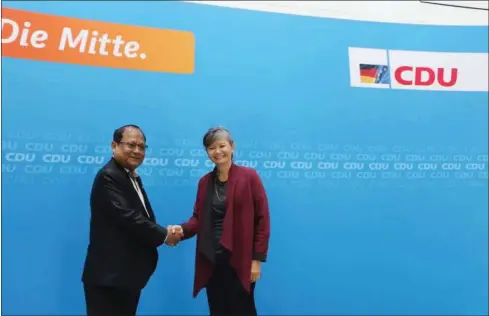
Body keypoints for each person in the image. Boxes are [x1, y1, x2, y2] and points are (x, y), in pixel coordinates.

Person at [81, 124, 181, 316]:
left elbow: (141, 217)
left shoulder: (130, 176)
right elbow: (128, 217)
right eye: (131, 145)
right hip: (108, 278)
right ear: (114, 145)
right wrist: (165, 235)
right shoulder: (108, 176)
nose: (137, 151)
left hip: (124, 276)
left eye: (142, 147)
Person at [170, 126, 271, 316]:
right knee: (218, 310)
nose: (217, 152)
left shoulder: (249, 176)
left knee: (243, 309)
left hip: (240, 259)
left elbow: (262, 219)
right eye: (211, 148)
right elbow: (198, 219)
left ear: (232, 147)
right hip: (212, 259)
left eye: (222, 146)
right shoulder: (204, 182)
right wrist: (181, 229)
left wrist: (256, 260)